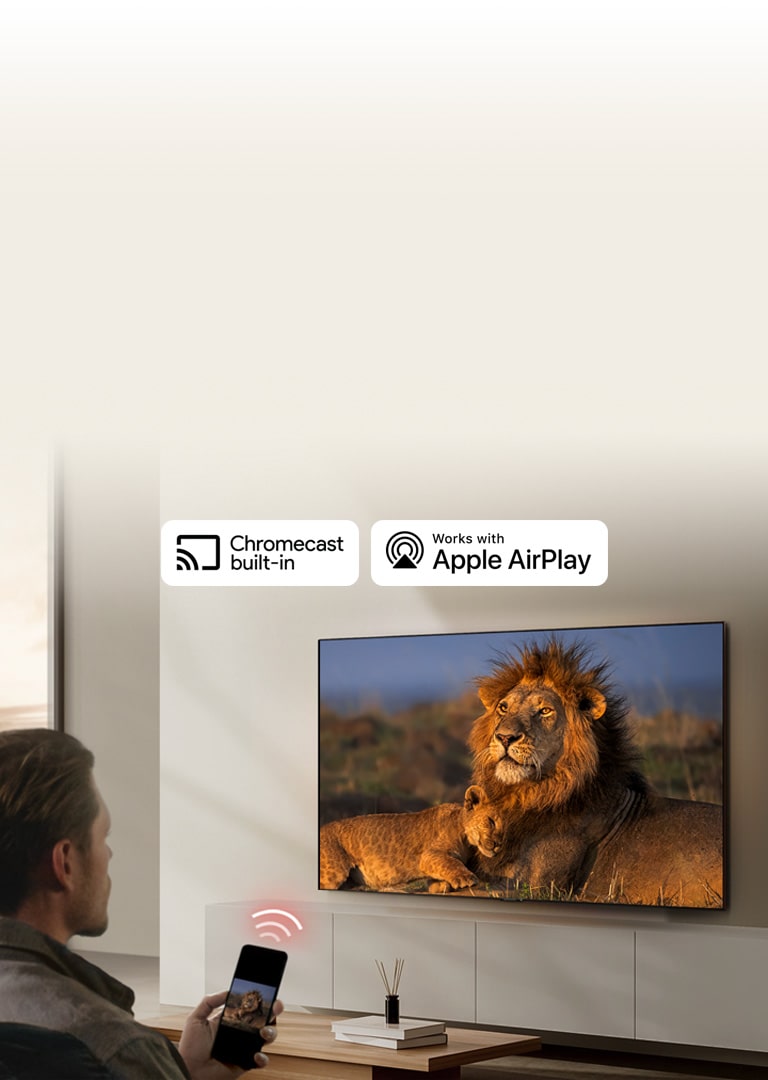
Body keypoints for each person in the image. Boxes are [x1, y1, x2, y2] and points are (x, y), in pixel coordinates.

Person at [0, 728, 282, 1079]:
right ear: (65, 863)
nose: (110, 853)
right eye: (104, 835)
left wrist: (185, 1072)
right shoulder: (120, 1050)